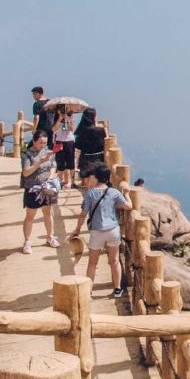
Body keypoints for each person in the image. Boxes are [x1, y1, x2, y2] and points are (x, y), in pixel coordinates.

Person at [72, 166, 128, 298]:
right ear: (108, 178)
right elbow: (128, 206)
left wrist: (77, 230)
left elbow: (83, 214)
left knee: (92, 263)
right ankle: (117, 289)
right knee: (114, 261)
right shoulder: (114, 192)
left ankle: (89, 290)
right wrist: (127, 195)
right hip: (113, 230)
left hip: (97, 231)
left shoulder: (90, 193)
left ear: (95, 177)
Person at [19, 131, 60, 254]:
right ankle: (27, 241)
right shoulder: (27, 154)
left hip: (47, 187)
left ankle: (50, 237)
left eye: (45, 143)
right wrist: (40, 162)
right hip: (33, 188)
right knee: (30, 215)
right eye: (41, 142)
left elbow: (53, 165)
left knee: (48, 212)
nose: (43, 145)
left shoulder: (47, 151)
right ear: (34, 141)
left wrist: (51, 176)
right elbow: (26, 172)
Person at [73, 105, 108, 182]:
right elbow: (106, 143)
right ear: (93, 117)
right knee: (97, 181)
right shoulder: (100, 130)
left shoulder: (81, 131)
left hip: (84, 159)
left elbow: (77, 146)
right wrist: (105, 129)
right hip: (98, 158)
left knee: (87, 182)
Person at [52, 108, 78, 188]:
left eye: (65, 110)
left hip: (69, 141)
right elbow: (53, 130)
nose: (64, 112)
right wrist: (60, 119)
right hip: (59, 141)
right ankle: (59, 183)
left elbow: (72, 129)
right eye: (62, 110)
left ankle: (73, 183)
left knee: (71, 164)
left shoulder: (72, 116)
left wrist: (67, 120)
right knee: (60, 164)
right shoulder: (56, 117)